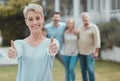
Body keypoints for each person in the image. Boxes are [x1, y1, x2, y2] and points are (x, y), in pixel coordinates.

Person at [8, 3, 59, 81]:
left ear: (43, 19)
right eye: (30, 19)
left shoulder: (51, 43)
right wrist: (14, 52)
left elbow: (52, 49)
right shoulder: (19, 44)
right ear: (26, 22)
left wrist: (52, 50)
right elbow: (17, 51)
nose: (35, 22)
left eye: (37, 18)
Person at [77, 12, 101, 81]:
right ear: (82, 19)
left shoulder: (94, 27)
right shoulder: (80, 27)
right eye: (83, 18)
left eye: (86, 18)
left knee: (90, 69)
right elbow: (77, 37)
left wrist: (96, 52)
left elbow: (97, 40)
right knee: (83, 70)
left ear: (89, 18)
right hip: (81, 52)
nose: (85, 19)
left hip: (90, 52)